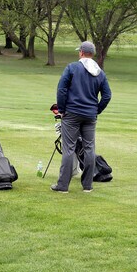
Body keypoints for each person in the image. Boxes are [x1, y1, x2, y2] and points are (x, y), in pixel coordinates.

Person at [51, 41, 112, 193]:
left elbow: (62, 89)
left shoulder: (72, 67)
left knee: (69, 149)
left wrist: (62, 109)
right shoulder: (100, 72)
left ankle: (63, 186)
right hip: (90, 115)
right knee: (89, 149)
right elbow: (107, 96)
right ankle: (87, 185)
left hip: (71, 113)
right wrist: (96, 110)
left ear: (81, 53)